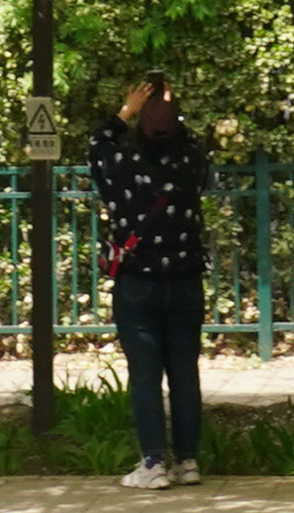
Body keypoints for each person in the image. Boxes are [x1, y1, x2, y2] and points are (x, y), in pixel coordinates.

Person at [91, 77, 209, 489]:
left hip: (138, 282)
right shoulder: (192, 162)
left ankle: (153, 463)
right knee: (184, 372)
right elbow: (193, 145)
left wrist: (128, 110)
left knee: (145, 375)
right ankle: (188, 461)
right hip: (186, 281)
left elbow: (97, 145)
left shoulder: (121, 165)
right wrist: (168, 111)